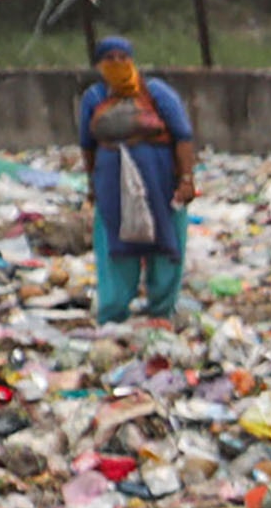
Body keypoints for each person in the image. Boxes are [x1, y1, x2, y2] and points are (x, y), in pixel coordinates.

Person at [79, 33, 194, 324]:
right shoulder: (94, 97)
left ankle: (162, 308)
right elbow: (87, 146)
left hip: (159, 182)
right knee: (116, 245)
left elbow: (182, 136)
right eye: (109, 59)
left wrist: (186, 179)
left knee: (166, 240)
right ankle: (114, 311)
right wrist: (92, 185)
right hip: (113, 185)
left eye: (122, 58)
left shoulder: (155, 92)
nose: (117, 64)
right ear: (99, 65)